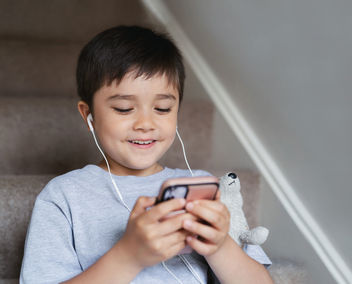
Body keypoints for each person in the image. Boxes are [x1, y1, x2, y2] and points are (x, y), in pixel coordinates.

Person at [20, 25, 273, 284]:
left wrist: (219, 247)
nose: (145, 123)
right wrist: (130, 255)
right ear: (89, 116)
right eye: (124, 108)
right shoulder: (63, 196)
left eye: (162, 108)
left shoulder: (200, 188)